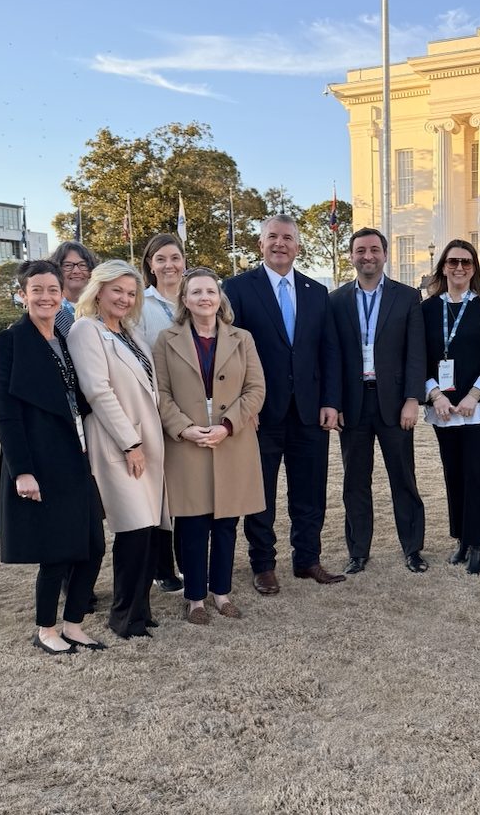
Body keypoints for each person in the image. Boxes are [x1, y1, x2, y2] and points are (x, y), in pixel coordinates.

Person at [0, 260, 105, 654]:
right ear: (22, 295)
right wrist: (23, 471)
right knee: (57, 550)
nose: (46, 297)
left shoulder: (66, 339)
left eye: (53, 289)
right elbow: (6, 412)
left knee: (93, 545)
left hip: (78, 453)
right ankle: (46, 629)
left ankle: (73, 624)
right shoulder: (11, 341)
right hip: (41, 457)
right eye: (37, 290)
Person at [224, 214, 344, 593]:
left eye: (287, 238)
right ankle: (263, 564)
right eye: (272, 237)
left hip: (310, 412)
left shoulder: (315, 291)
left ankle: (307, 559)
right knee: (261, 494)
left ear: (297, 245)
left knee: (310, 491)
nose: (280, 243)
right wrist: (244, 407)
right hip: (261, 414)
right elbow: (232, 356)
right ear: (260, 244)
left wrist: (330, 401)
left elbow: (329, 351)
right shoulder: (238, 289)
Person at [153, 268, 266, 624]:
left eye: (211, 291)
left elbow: (256, 389)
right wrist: (184, 429)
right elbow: (160, 394)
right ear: (184, 300)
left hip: (231, 441)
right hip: (187, 442)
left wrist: (228, 424)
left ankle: (221, 592)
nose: (205, 297)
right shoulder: (165, 339)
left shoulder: (242, 338)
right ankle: (195, 599)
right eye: (196, 292)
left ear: (220, 299)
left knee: (226, 522)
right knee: (192, 522)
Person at [67, 260, 169, 638]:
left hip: (147, 443)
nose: (125, 299)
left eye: (131, 293)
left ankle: (140, 608)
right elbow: (97, 390)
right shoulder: (85, 330)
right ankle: (125, 616)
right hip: (119, 443)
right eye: (118, 291)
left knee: (147, 532)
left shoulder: (129, 333)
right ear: (99, 290)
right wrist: (131, 443)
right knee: (133, 530)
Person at [330, 227, 428, 575]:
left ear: (385, 255)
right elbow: (333, 356)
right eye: (360, 250)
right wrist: (334, 401)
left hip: (395, 403)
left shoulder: (406, 297)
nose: (367, 256)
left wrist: (413, 399)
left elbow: (416, 352)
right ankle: (358, 551)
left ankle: (413, 549)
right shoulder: (336, 299)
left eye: (374, 249)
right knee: (355, 482)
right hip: (354, 404)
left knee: (404, 479)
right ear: (352, 256)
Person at [423, 240, 480, 575]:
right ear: (443, 266)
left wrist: (474, 395)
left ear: (475, 268)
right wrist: (435, 394)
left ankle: (478, 543)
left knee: (476, 473)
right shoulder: (428, 308)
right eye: (453, 262)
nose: (459, 268)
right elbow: (420, 356)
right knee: (453, 474)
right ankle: (460, 538)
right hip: (443, 407)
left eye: (467, 263)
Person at [136, 233, 187, 594]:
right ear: (150, 265)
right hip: (155, 408)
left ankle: (189, 562)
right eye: (161, 259)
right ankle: (161, 567)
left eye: (175, 258)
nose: (169, 265)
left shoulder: (199, 295)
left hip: (196, 410)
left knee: (186, 491)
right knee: (158, 491)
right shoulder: (141, 305)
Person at [49, 240, 98, 338]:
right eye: (68, 265)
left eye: (82, 265)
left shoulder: (104, 308)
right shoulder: (49, 312)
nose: (76, 271)